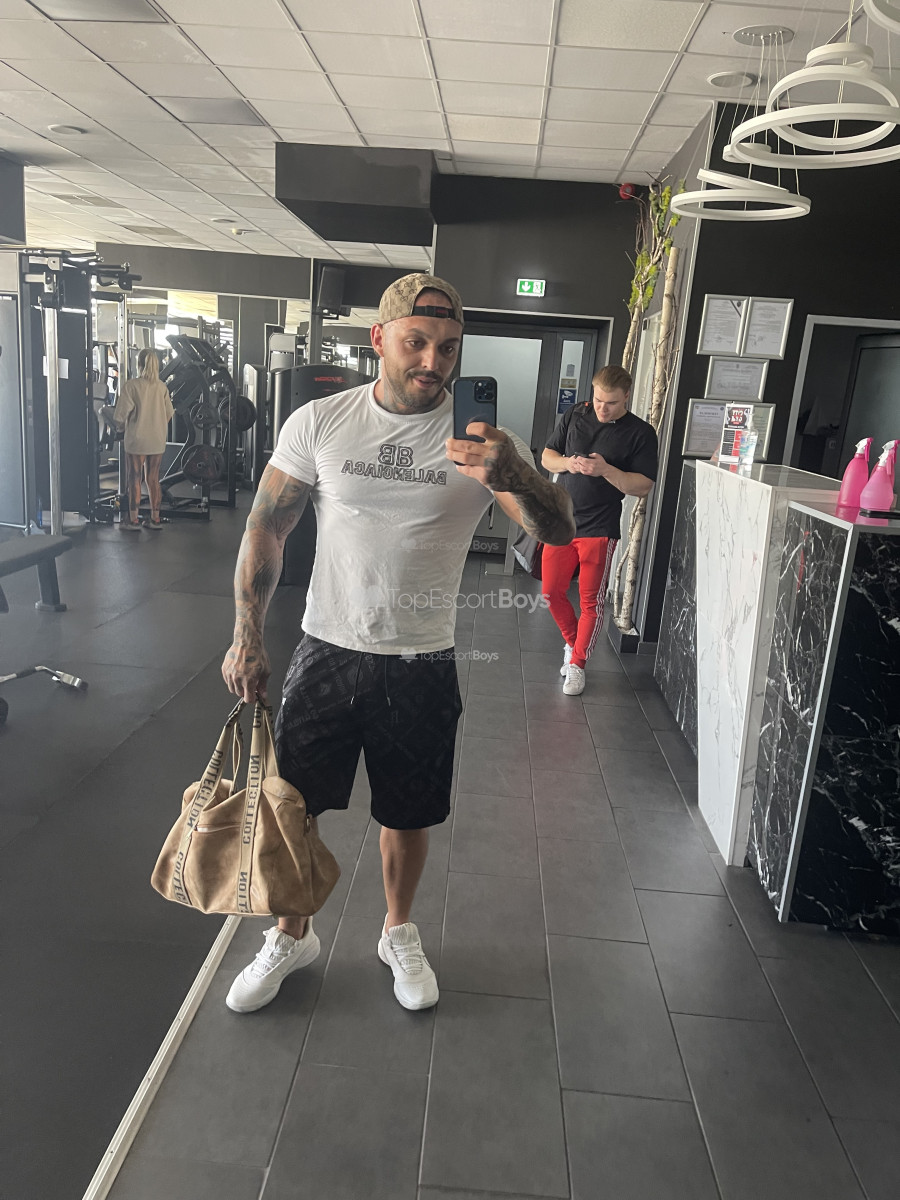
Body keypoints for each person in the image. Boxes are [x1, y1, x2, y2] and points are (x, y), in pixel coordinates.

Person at [221, 273, 575, 1014]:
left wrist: (512, 472)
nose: (432, 361)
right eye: (416, 342)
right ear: (379, 338)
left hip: (421, 656)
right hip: (326, 646)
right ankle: (292, 934)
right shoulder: (321, 420)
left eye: (447, 347)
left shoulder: (483, 444)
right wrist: (246, 634)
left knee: (408, 813)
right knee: (296, 806)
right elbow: (268, 526)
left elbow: (558, 531)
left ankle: (397, 931)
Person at [541, 364, 657, 696]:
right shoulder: (576, 414)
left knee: (591, 601)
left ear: (627, 397)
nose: (603, 409)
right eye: (598, 400)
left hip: (600, 526)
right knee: (551, 592)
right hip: (562, 521)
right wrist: (568, 463)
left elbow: (643, 486)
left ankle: (578, 665)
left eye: (612, 403)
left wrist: (606, 469)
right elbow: (548, 457)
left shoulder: (641, 433)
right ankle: (573, 644)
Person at [101, 349, 174, 530]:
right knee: (153, 478)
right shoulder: (162, 387)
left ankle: (133, 520)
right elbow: (169, 414)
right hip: (156, 440)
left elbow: (119, 416)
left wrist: (120, 427)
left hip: (137, 439)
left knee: (134, 478)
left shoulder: (131, 386)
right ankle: (155, 519)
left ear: (139, 364)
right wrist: (157, 427)